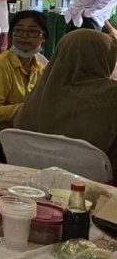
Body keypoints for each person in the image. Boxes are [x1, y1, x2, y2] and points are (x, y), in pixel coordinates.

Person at [15, 30, 117, 170]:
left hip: (37, 177)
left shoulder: (42, 91)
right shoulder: (111, 95)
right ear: (102, 58)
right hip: (96, 180)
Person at [0, 11, 48, 162]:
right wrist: (28, 109)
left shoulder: (39, 68)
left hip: (22, 134)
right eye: (18, 30)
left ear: (43, 38)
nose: (24, 36)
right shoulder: (0, 66)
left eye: (32, 31)